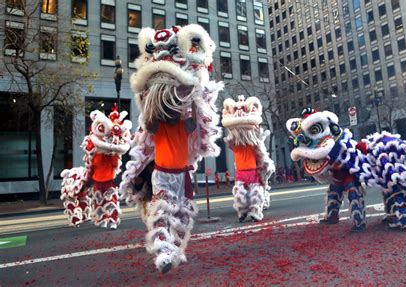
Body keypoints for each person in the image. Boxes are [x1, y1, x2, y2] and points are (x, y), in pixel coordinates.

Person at [119, 24, 223, 274]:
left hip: (184, 174)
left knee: (183, 217)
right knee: (162, 213)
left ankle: (174, 249)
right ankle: (164, 251)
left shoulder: (188, 119)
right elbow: (147, 110)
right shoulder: (155, 121)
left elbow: (199, 111)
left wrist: (196, 90)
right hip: (163, 174)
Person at [60, 106, 132, 229]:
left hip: (103, 181)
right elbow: (105, 165)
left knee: (103, 201)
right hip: (105, 180)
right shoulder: (104, 154)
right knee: (108, 201)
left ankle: (105, 219)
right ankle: (109, 220)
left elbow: (93, 166)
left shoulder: (101, 154)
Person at [222, 96, 275, 222]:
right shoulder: (234, 144)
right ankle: (243, 212)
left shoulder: (254, 143)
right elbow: (230, 137)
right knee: (240, 194)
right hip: (241, 173)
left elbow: (261, 152)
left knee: (255, 194)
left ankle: (254, 211)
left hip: (252, 172)